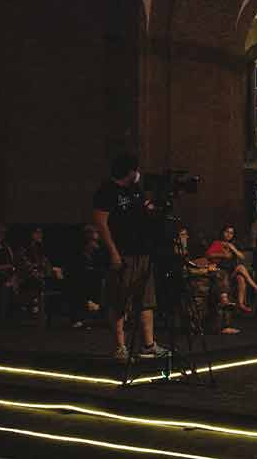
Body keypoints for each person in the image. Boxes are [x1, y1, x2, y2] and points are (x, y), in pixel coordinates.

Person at [91, 154, 167, 362]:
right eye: (136, 170)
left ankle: (149, 345)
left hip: (142, 251)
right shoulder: (106, 191)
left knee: (146, 300)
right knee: (118, 301)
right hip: (122, 253)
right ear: (130, 171)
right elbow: (101, 223)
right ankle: (120, 347)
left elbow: (144, 211)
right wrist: (113, 252)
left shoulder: (135, 190)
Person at [206, 225, 257, 313]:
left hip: (231, 271)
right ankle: (255, 286)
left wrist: (232, 248)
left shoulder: (234, 244)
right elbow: (208, 255)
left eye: (231, 233)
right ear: (222, 232)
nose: (228, 235)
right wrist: (223, 255)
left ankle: (241, 304)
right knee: (240, 268)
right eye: (227, 232)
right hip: (221, 270)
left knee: (240, 277)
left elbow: (242, 257)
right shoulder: (217, 243)